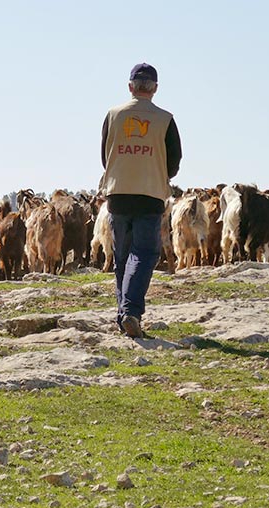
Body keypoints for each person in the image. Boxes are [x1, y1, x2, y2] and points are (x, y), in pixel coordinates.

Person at [100, 63, 182, 338]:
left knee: (122, 256)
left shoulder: (113, 115)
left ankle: (123, 314)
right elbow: (174, 161)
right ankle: (131, 312)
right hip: (150, 193)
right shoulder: (165, 119)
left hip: (118, 192)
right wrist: (157, 170)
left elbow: (104, 154)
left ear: (131, 86)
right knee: (144, 254)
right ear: (155, 88)